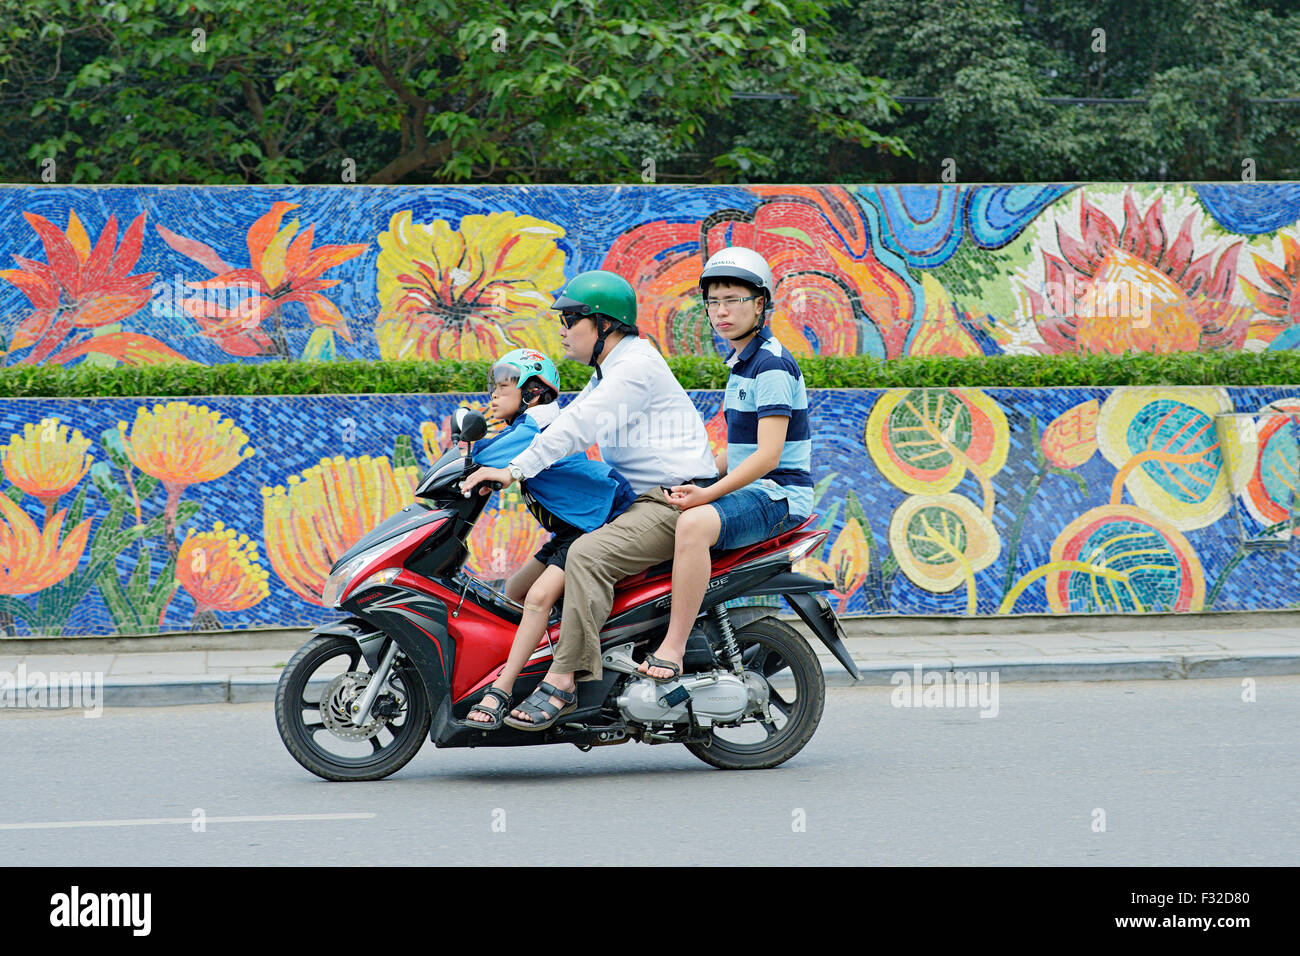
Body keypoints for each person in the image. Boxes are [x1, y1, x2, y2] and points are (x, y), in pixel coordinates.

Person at [461, 270, 717, 730]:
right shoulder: (613, 370)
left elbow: (580, 426)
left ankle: (562, 681)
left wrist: (515, 469)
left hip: (669, 501)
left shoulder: (634, 368)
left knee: (586, 554)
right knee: (519, 588)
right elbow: (568, 416)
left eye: (571, 318)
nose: (562, 330)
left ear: (604, 325)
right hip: (644, 501)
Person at [637, 246, 812, 681]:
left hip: (779, 496)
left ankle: (673, 648)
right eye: (713, 301)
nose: (721, 311)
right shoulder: (743, 363)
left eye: (733, 299)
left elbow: (768, 455)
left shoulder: (770, 364)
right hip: (754, 490)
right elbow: (736, 452)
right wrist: (686, 478)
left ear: (760, 304)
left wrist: (707, 494)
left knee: (693, 524)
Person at [459, 347, 636, 730]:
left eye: (503, 386)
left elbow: (481, 457)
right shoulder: (524, 428)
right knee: (516, 590)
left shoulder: (538, 424)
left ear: (534, 393)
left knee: (538, 598)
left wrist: (467, 453)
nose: (493, 395)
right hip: (571, 528)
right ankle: (546, 653)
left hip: (597, 522)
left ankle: (502, 690)